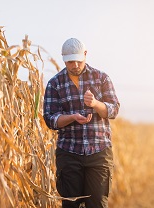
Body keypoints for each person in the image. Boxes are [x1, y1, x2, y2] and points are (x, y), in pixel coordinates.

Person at [43, 38, 120, 208]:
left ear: (85, 55)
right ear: (64, 59)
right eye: (71, 62)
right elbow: (50, 119)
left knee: (98, 204)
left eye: (79, 61)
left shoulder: (101, 78)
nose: (75, 65)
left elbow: (114, 110)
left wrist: (95, 104)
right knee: (70, 205)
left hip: (99, 151)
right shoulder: (55, 84)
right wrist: (72, 117)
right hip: (69, 152)